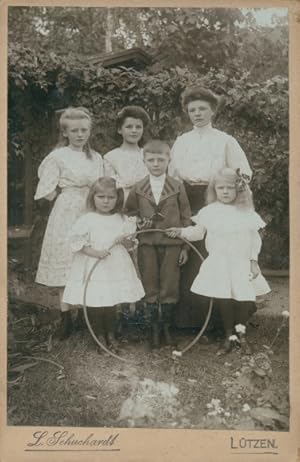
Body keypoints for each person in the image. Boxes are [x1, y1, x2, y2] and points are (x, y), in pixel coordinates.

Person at [168, 86, 253, 328]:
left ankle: (222, 322)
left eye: (202, 109)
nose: (197, 114)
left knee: (216, 255)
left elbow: (243, 173)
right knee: (191, 256)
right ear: (187, 112)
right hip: (187, 198)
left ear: (212, 111)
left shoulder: (225, 140)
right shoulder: (182, 141)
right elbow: (172, 175)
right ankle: (191, 322)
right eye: (192, 110)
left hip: (216, 198)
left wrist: (231, 197)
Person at [166, 168, 270, 355]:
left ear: (239, 189)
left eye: (229, 188)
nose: (225, 192)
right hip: (219, 262)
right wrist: (180, 232)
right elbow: (198, 233)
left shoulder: (246, 212)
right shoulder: (209, 211)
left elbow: (255, 240)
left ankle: (241, 335)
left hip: (241, 262)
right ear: (214, 190)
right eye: (220, 188)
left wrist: (254, 261)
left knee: (242, 299)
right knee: (224, 299)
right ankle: (228, 336)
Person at [34, 107, 104, 339]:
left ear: (89, 131)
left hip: (91, 211)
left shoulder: (96, 157)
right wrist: (66, 200)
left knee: (88, 257)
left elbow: (103, 186)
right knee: (67, 259)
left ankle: (86, 314)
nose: (80, 134)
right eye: (74, 131)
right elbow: (45, 189)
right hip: (66, 212)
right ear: (65, 133)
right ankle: (66, 317)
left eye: (84, 130)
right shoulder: (58, 156)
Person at [62, 177, 145, 353]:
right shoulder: (87, 219)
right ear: (93, 197)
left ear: (117, 199)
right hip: (95, 264)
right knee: (95, 299)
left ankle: (111, 334)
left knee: (111, 300)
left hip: (115, 264)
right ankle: (99, 335)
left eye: (111, 197)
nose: (106, 201)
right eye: (101, 197)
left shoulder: (121, 219)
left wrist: (126, 241)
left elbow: (130, 245)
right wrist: (96, 253)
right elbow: (78, 243)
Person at [125, 140, 191, 349]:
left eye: (160, 159)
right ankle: (153, 330)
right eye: (151, 160)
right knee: (150, 284)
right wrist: (138, 222)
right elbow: (129, 212)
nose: (156, 164)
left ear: (168, 160)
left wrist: (185, 247)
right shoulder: (138, 188)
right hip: (147, 244)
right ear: (144, 161)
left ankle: (166, 329)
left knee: (170, 285)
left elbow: (186, 218)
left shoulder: (177, 186)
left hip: (172, 245)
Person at [104, 105, 151, 202]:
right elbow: (109, 187)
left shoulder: (149, 155)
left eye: (138, 127)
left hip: (147, 203)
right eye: (129, 127)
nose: (134, 131)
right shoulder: (111, 157)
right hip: (122, 203)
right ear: (119, 130)